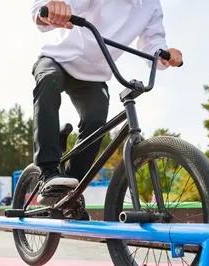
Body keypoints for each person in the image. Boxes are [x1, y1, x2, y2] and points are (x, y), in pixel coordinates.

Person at [31, 0, 183, 206]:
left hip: (94, 75)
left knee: (96, 122)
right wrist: (53, 10)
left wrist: (165, 54)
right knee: (49, 80)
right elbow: (48, 8)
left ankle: (69, 192)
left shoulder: (151, 6)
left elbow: (152, 43)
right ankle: (48, 172)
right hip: (58, 59)